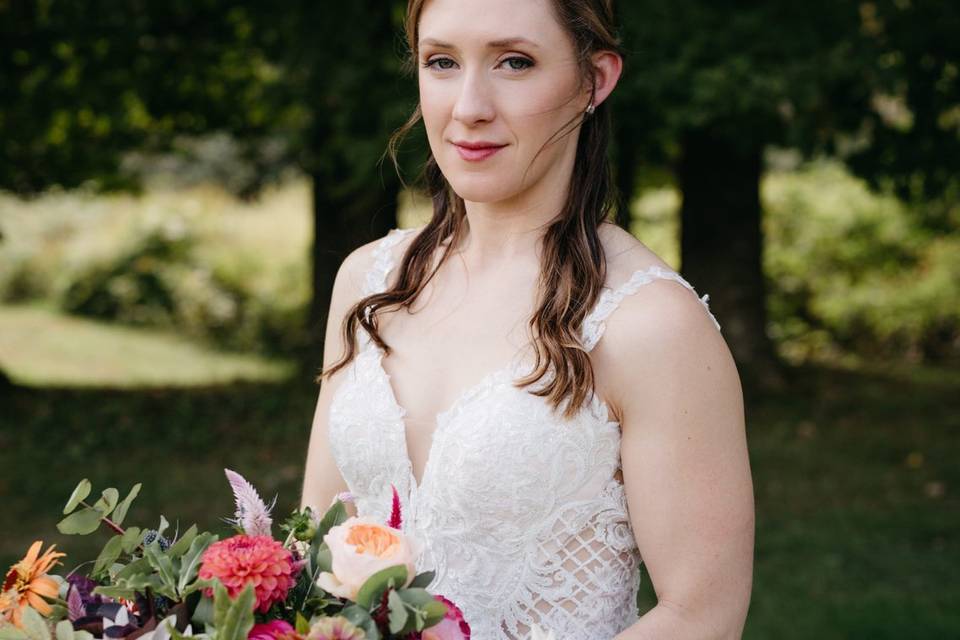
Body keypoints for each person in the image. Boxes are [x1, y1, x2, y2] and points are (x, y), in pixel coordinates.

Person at [301, 0, 755, 637]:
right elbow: (312, 546)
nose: (469, 106)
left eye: (515, 62)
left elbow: (702, 615)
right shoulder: (368, 283)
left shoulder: (651, 324)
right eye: (442, 62)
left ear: (595, 80)